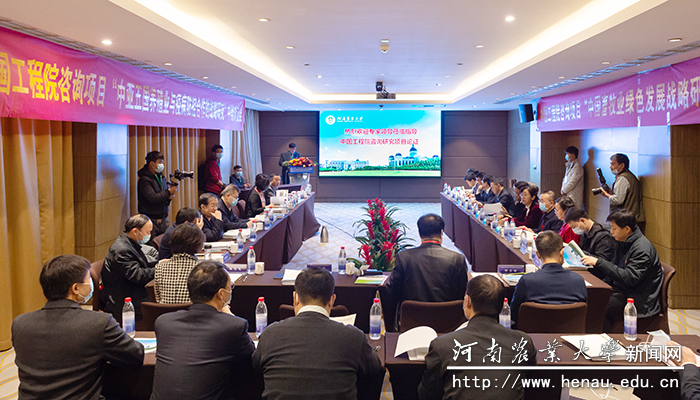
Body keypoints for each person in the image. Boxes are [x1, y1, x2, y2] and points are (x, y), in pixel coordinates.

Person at [12, 255, 144, 400]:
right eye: (89, 279)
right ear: (76, 288)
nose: (92, 284)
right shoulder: (98, 323)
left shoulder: (19, 324)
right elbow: (135, 354)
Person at [252, 267, 383, 399]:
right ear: (332, 300)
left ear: (295, 298)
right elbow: (374, 367)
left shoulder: (269, 334)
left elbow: (255, 367)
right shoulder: (354, 337)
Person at [418, 275, 537, 400]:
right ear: (503, 306)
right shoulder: (523, 342)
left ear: (467, 301)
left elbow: (428, 395)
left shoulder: (442, 346)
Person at [151, 261, 255, 400]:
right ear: (221, 294)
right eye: (230, 286)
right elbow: (252, 357)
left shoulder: (164, 322)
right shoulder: (233, 326)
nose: (231, 290)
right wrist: (228, 315)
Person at [581, 209, 662, 332]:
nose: (611, 231)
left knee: (597, 306)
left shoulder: (641, 249)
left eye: (614, 228)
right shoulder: (624, 242)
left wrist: (599, 262)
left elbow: (629, 278)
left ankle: (604, 338)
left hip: (637, 300)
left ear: (627, 229)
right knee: (592, 296)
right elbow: (613, 265)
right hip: (622, 291)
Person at [384, 214, 468, 330]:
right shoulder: (457, 259)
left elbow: (391, 292)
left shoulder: (404, 257)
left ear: (419, 233)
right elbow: (462, 294)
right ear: (441, 233)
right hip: (448, 324)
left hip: (411, 323)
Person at [509, 231, 588, 328]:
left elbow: (514, 314)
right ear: (562, 252)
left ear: (538, 255)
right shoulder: (578, 280)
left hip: (532, 335)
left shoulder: (527, 281)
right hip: (569, 334)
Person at [101, 214, 156, 321]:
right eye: (147, 232)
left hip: (131, 290)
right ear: (135, 231)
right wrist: (159, 269)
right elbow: (138, 275)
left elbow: (141, 265)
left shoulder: (130, 243)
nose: (149, 235)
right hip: (125, 301)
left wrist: (159, 264)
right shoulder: (122, 250)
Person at [154, 223, 206, 304]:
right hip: (192, 311)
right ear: (199, 245)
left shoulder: (159, 267)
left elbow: (158, 298)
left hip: (165, 311)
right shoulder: (202, 270)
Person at [601, 153, 646, 233]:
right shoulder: (629, 175)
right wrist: (611, 193)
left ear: (622, 165)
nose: (610, 167)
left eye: (613, 164)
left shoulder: (623, 178)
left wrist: (606, 195)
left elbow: (618, 200)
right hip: (632, 218)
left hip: (626, 220)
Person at [137, 150, 177, 237]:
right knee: (152, 243)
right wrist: (168, 192)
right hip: (150, 219)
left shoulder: (161, 177)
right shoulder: (145, 180)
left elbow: (163, 196)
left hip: (164, 217)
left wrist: (169, 198)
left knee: (165, 242)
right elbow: (152, 198)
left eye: (162, 162)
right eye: (159, 162)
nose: (162, 165)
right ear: (151, 164)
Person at [564, 207, 617, 271]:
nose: (573, 229)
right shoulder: (584, 232)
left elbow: (601, 261)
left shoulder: (603, 236)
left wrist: (582, 253)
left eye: (574, 226)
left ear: (582, 220)